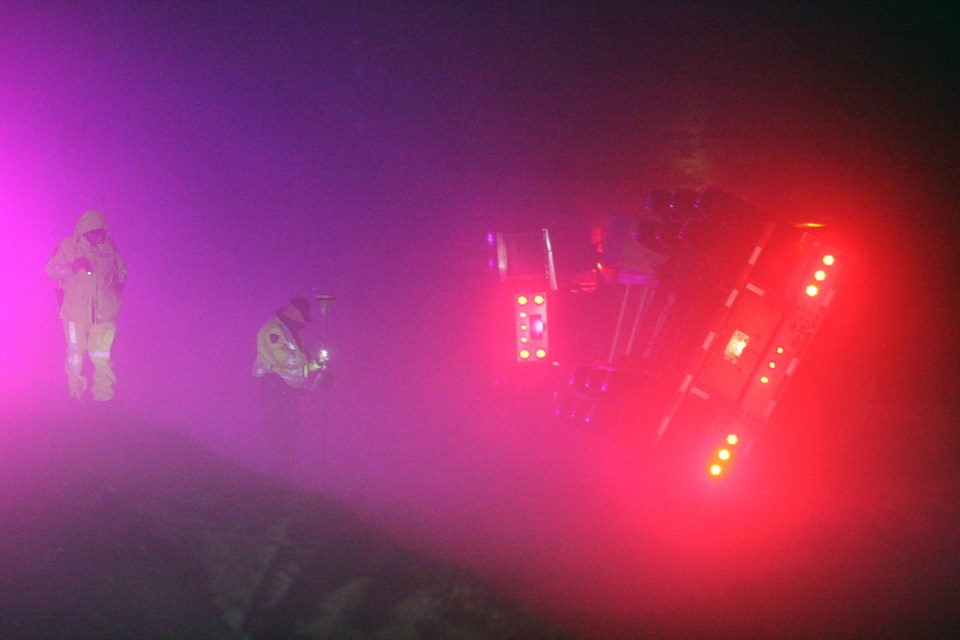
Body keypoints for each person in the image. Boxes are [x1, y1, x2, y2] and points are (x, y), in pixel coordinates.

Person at [45, 210, 128, 403]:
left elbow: (122, 269)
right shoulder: (68, 246)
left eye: (99, 231)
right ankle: (75, 395)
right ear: (83, 230)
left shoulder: (109, 247)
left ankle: (104, 397)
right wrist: (73, 267)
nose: (95, 235)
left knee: (101, 355)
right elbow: (51, 270)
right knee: (75, 354)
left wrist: (116, 294)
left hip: (104, 313)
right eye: (91, 231)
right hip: (74, 313)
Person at [251, 297, 321, 479]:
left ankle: (285, 470)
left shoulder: (290, 331)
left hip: (287, 389)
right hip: (275, 386)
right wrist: (307, 355)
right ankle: (277, 471)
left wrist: (316, 364)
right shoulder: (273, 330)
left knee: (289, 427)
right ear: (292, 313)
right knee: (278, 426)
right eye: (302, 317)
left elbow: (297, 364)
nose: (304, 322)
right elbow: (282, 359)